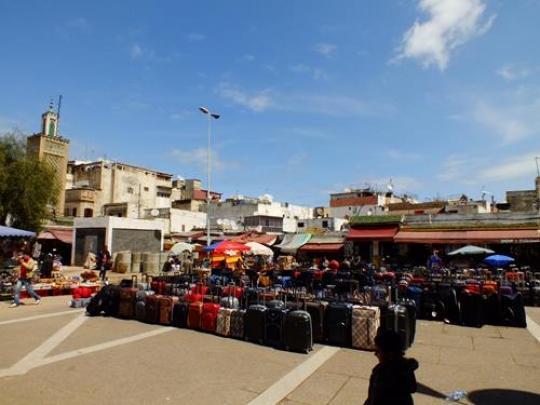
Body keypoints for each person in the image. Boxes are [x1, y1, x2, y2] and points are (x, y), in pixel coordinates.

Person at [364, 329, 419, 405]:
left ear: (390, 354)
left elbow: (374, 398)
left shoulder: (380, 373)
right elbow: (413, 388)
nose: (375, 354)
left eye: (378, 351)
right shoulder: (405, 368)